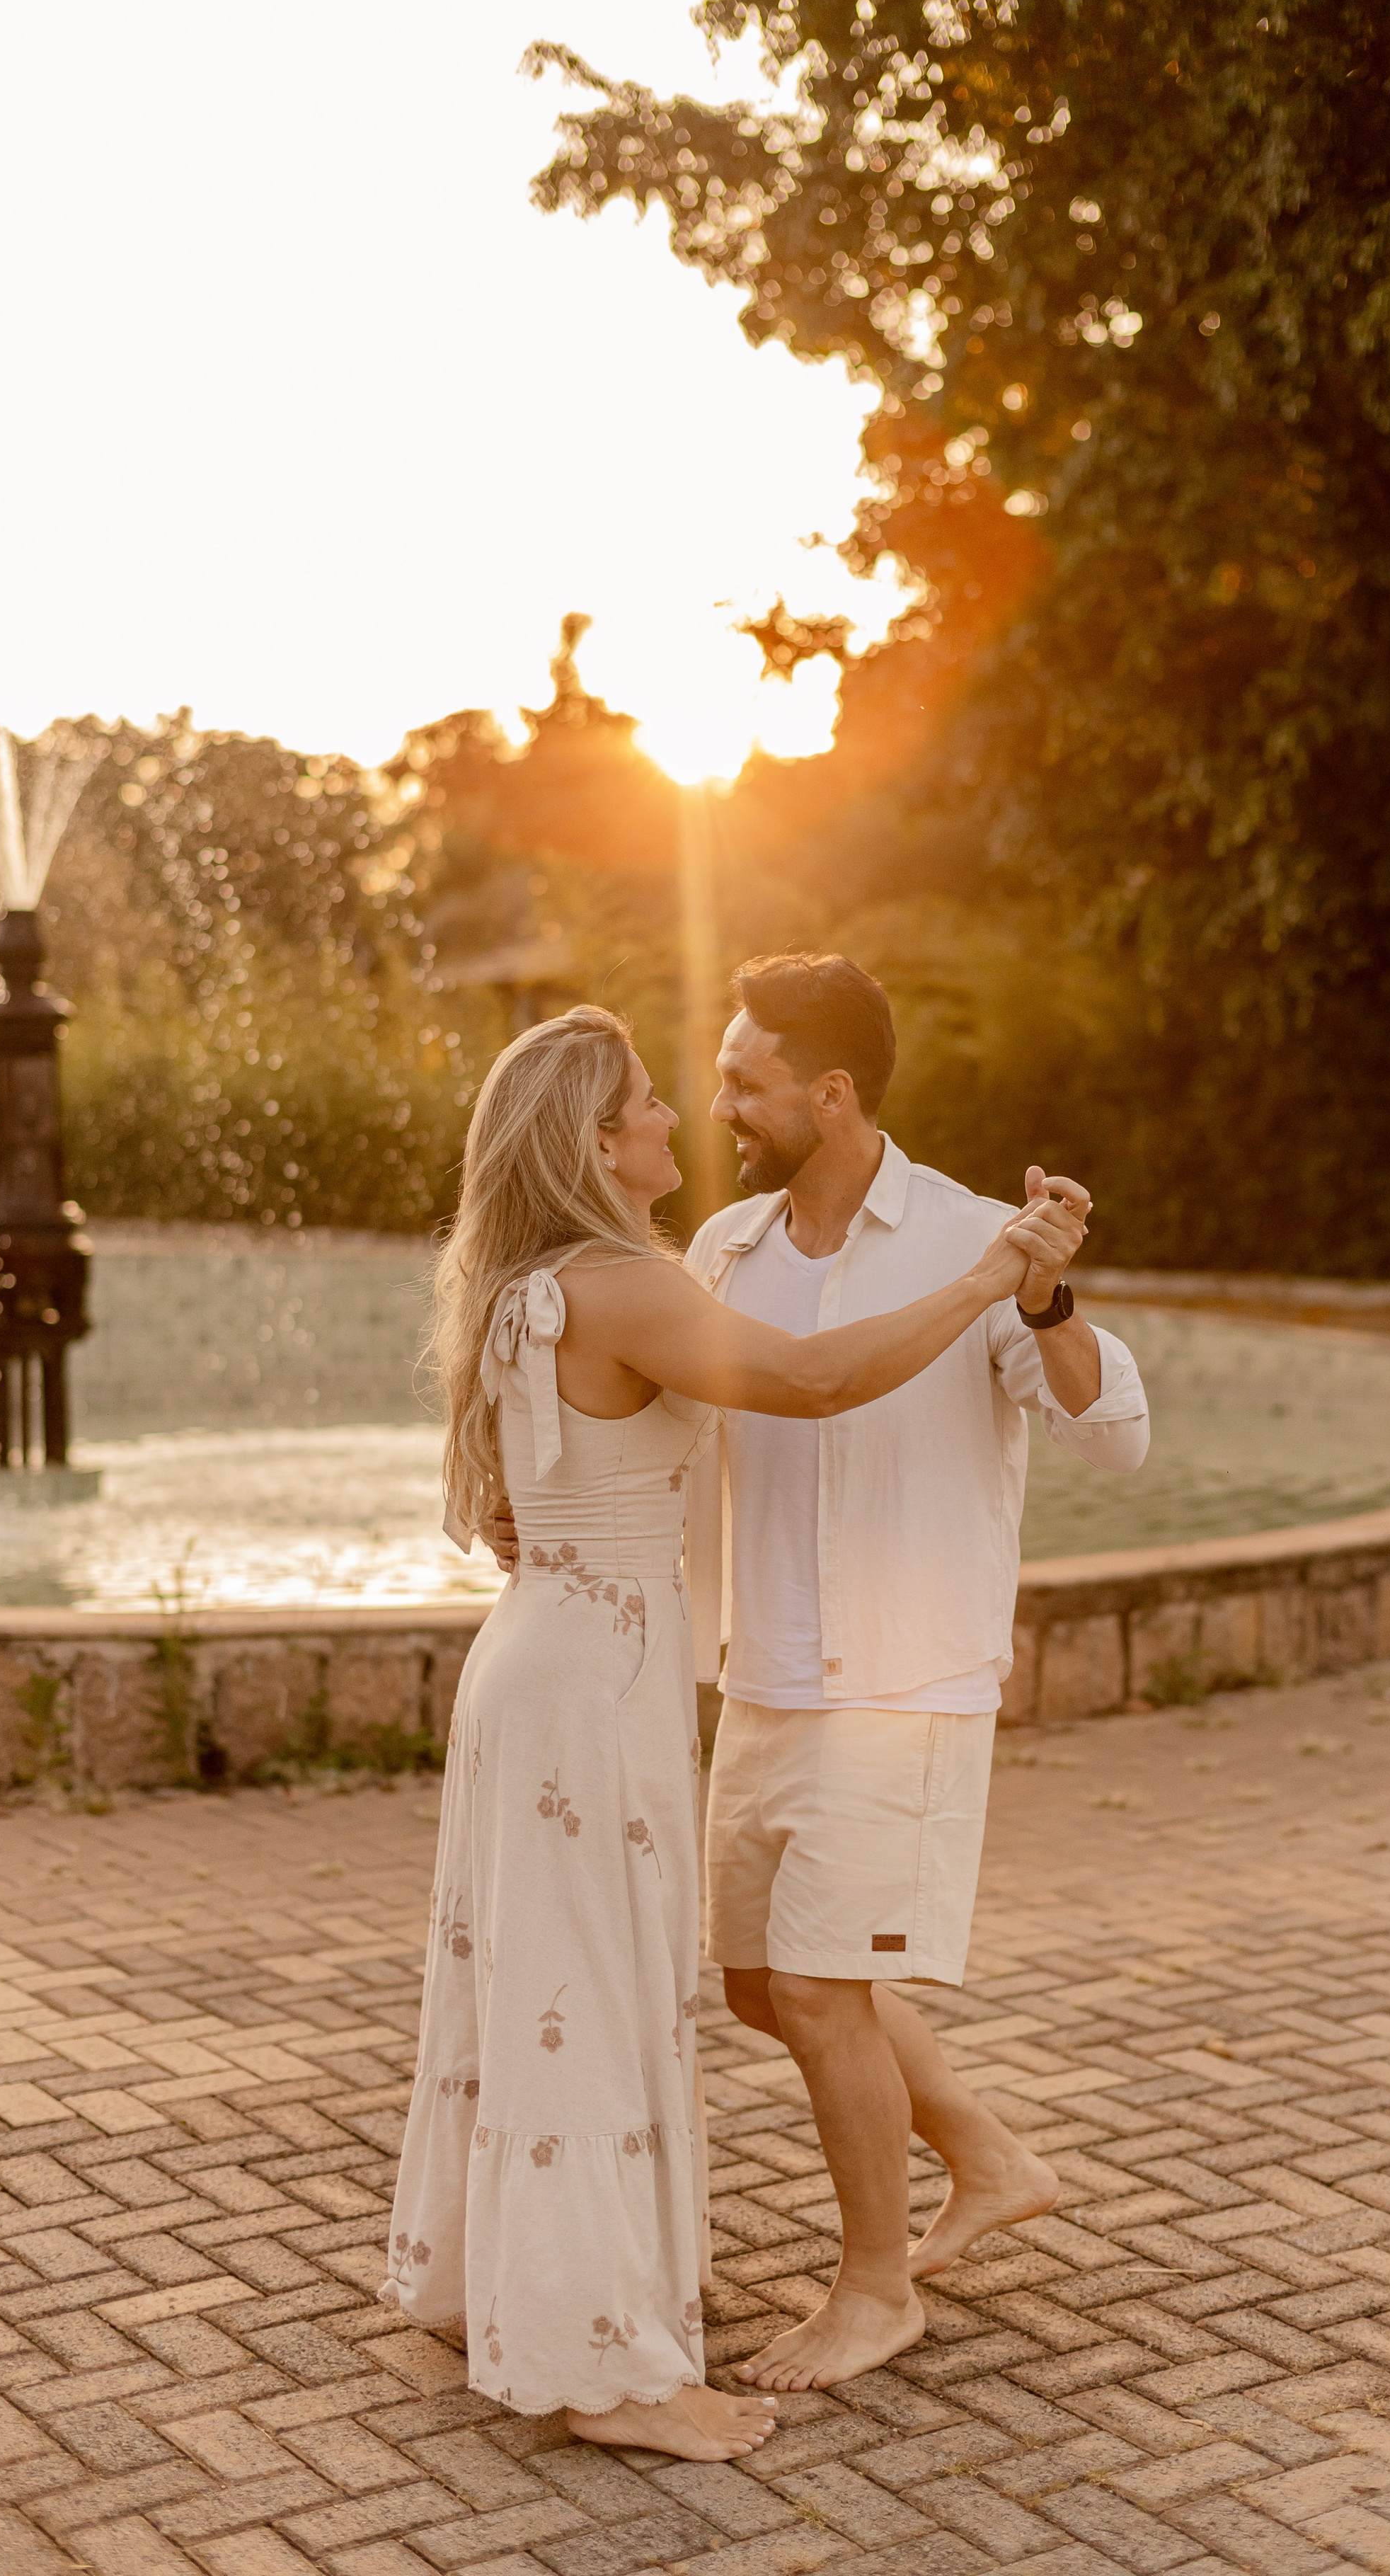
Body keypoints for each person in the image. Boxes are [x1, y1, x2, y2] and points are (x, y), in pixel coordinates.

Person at [380, 1004, 1072, 2463]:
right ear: (592, 1143)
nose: (671, 1123)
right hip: (593, 1683)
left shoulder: (518, 1284)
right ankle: (605, 2374)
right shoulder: (622, 1282)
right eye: (641, 1103)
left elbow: (535, 1492)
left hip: (535, 1663)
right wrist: (981, 1275)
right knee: (592, 2002)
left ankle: (481, 2285)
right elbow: (813, 1385)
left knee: (528, 1990)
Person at [684, 953, 1150, 2394]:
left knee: (826, 1994)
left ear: (828, 1092)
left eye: (744, 1080)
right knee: (760, 1987)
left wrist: (1052, 1302)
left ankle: (875, 2291)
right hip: (760, 1673)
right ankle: (988, 2156)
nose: (720, 1103)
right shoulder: (723, 1252)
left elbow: (1110, 1434)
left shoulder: (975, 1242)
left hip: (899, 1681)